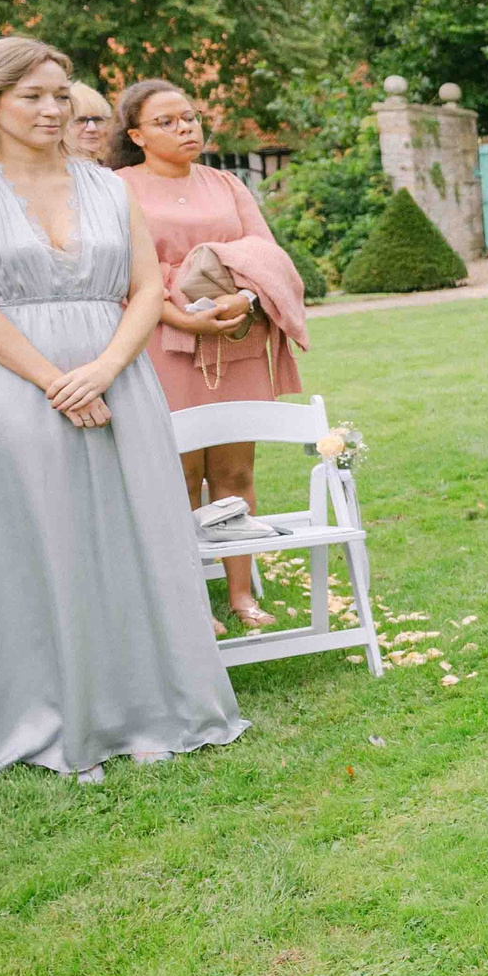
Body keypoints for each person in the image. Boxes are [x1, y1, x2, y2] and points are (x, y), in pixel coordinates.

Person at [0, 37, 245, 784]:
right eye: (32, 94)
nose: (52, 108)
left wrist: (100, 369)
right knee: (41, 545)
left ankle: (148, 700)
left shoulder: (108, 188)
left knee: (133, 535)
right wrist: (54, 380)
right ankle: (50, 707)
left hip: (119, 377)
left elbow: (148, 289)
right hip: (13, 387)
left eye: (61, 93)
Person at [112, 79, 309, 631]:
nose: (185, 128)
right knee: (178, 471)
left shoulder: (226, 183)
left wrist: (242, 299)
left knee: (234, 468)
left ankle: (242, 595)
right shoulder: (117, 187)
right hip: (161, 337)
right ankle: (188, 601)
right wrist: (176, 313)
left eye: (191, 117)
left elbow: (265, 253)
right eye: (167, 122)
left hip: (234, 335)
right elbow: (119, 269)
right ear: (136, 135)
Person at [66, 82, 112, 163]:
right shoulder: (49, 173)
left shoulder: (115, 172)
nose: (92, 128)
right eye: (80, 120)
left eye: (98, 120)